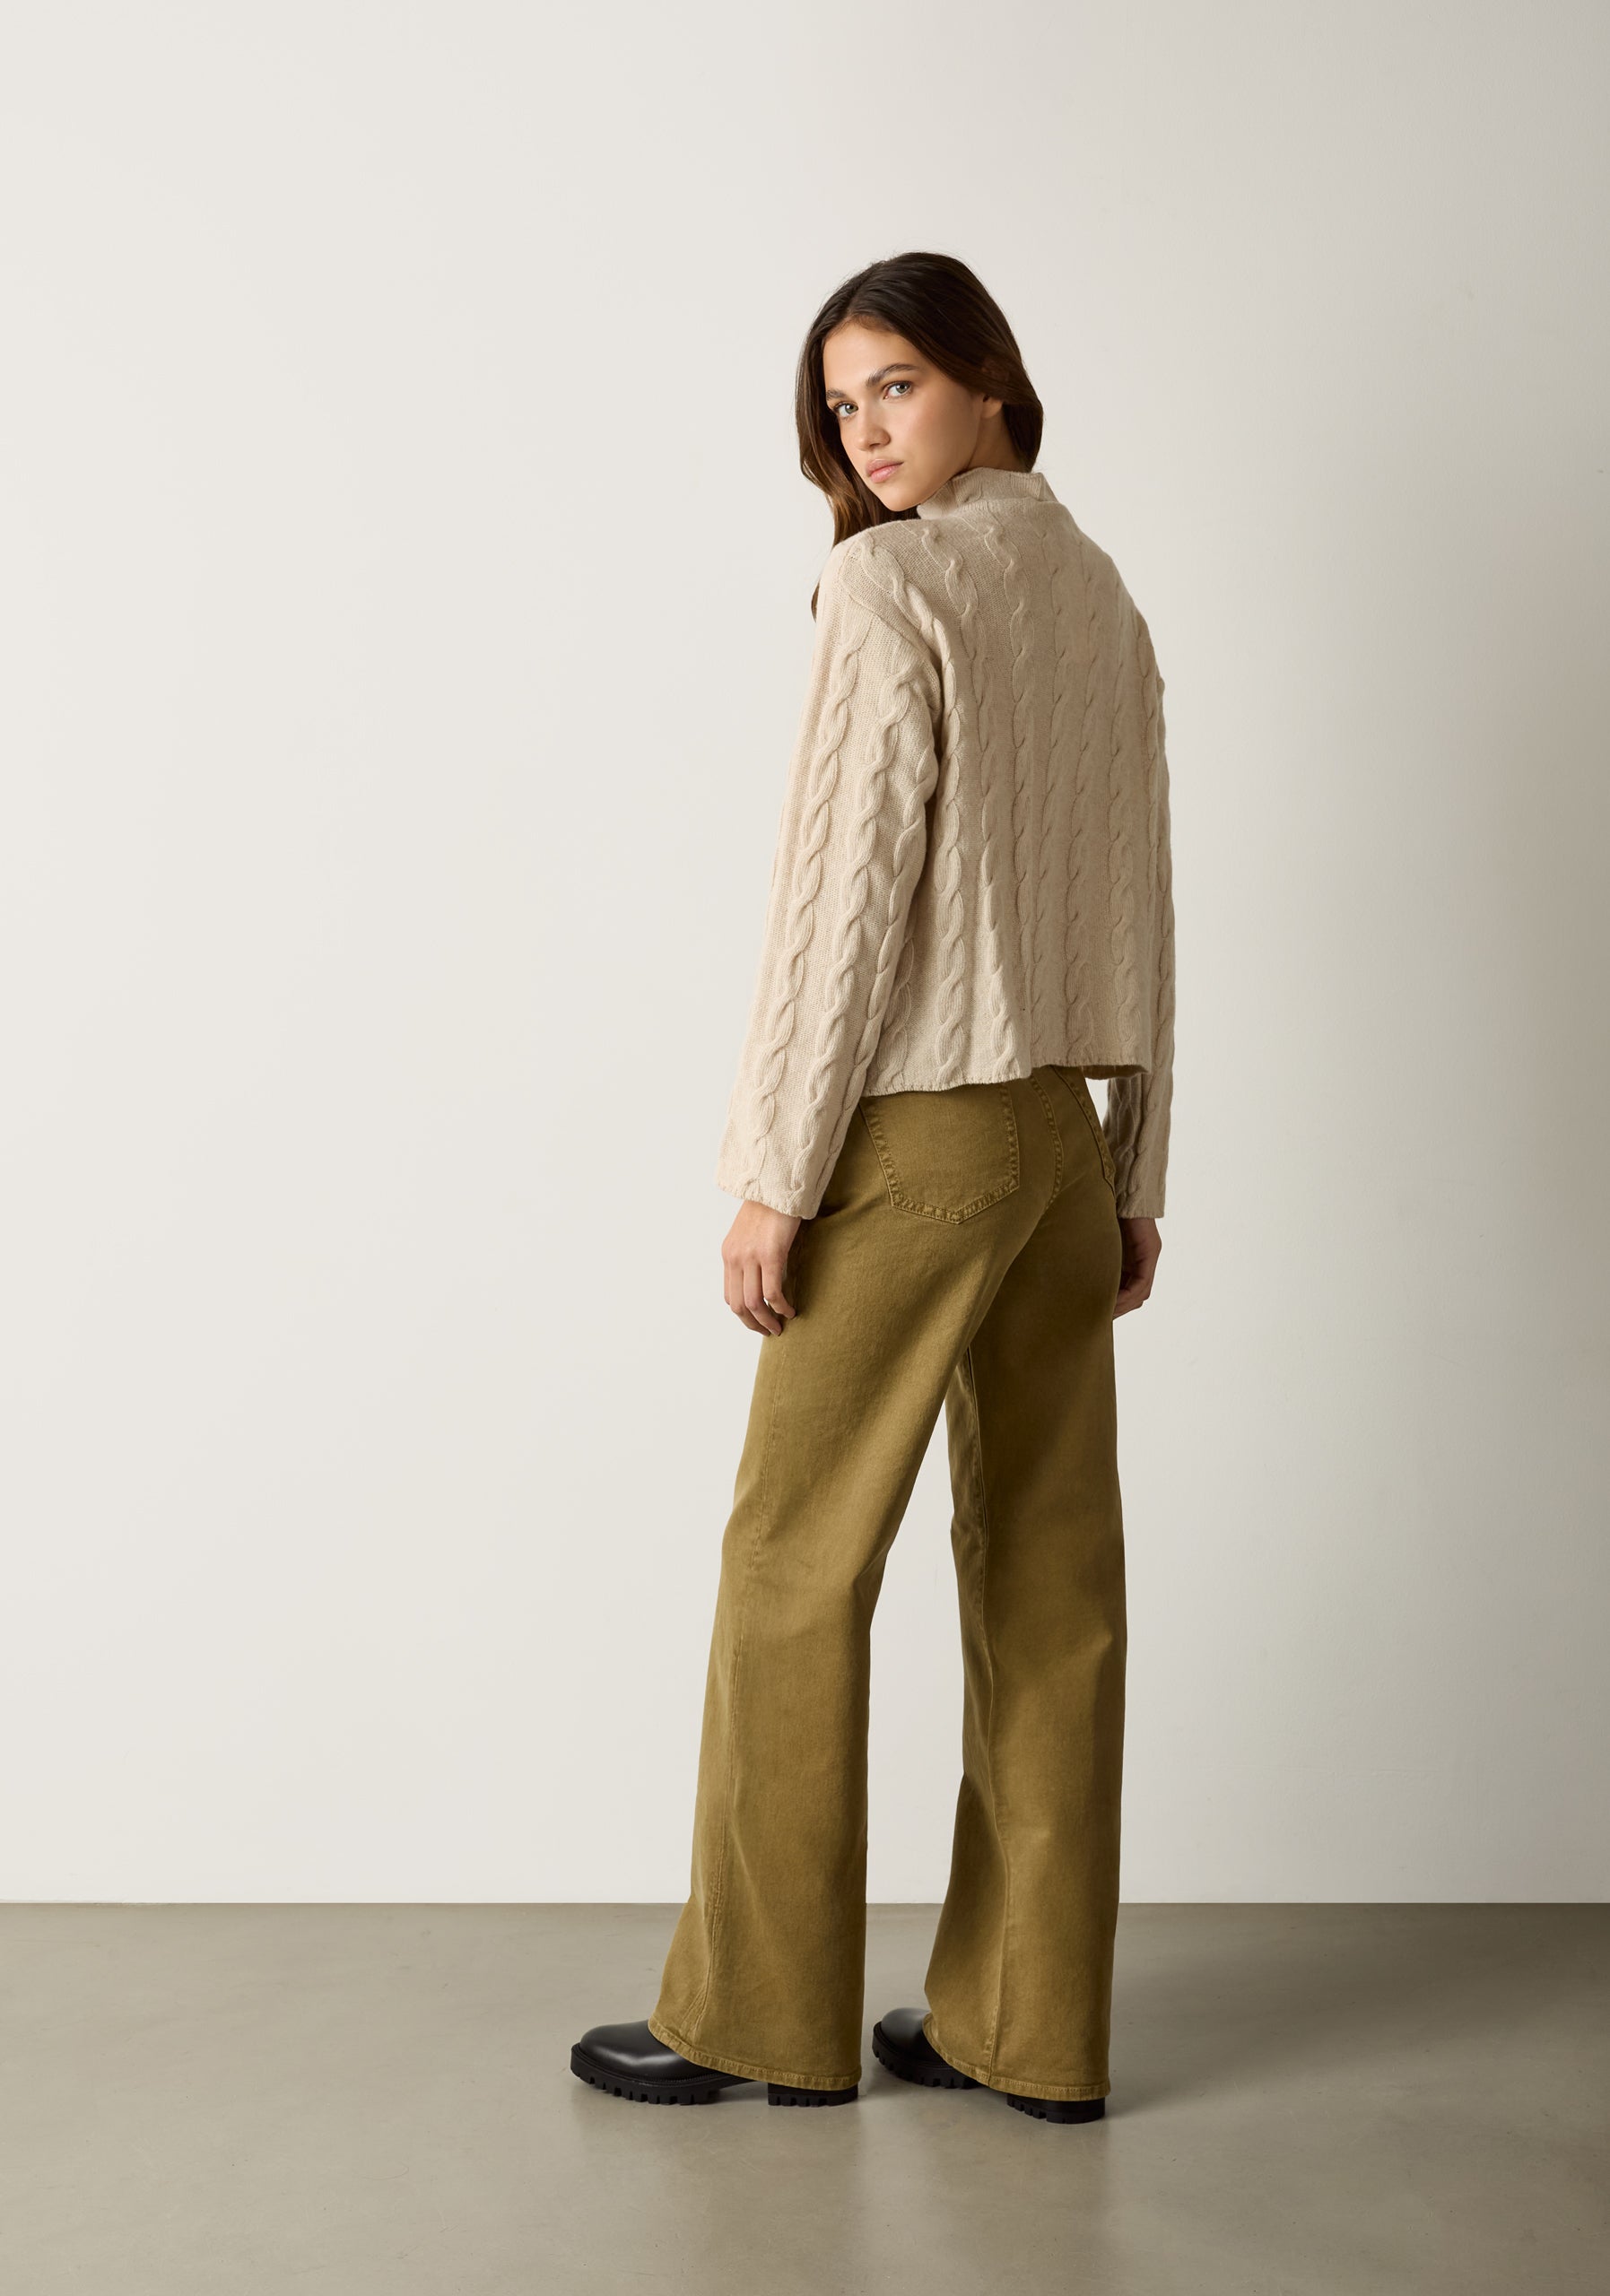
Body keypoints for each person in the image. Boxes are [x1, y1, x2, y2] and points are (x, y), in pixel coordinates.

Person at [570, 249, 1174, 2125]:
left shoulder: (889, 583)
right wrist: (1135, 1160)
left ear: (992, 378)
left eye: (894, 385)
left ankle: (757, 2019)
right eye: (840, 408)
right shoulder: (1099, 591)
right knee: (1053, 1576)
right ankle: (1028, 2029)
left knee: (792, 1556)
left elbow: (839, 910)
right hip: (1056, 1140)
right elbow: (1146, 895)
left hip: (910, 1136)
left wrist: (776, 1172)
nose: (864, 433)